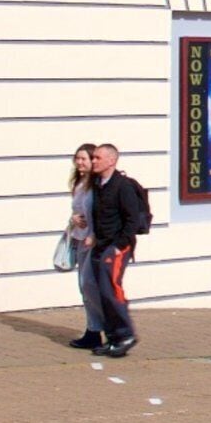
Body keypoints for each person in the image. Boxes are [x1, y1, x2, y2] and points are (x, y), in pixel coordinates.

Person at [81, 142, 148, 355]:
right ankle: (112, 337)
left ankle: (125, 334)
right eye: (93, 158)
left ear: (111, 160)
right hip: (101, 245)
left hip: (116, 247)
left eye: (97, 158)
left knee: (111, 290)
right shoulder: (100, 185)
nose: (93, 161)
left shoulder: (123, 186)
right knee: (100, 290)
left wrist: (120, 246)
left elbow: (131, 219)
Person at [59, 147, 101, 349]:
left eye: (84, 158)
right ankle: (92, 329)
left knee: (90, 285)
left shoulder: (97, 184)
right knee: (85, 286)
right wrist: (73, 219)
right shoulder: (79, 183)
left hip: (92, 241)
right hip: (79, 238)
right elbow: (77, 211)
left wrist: (93, 234)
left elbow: (99, 212)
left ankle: (100, 329)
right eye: (77, 158)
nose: (80, 162)